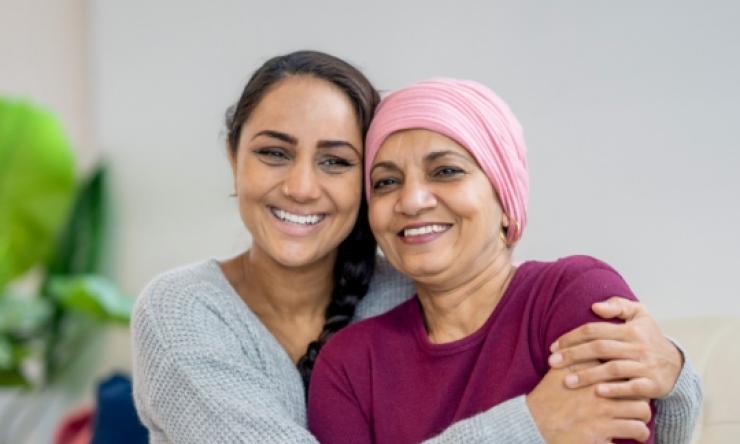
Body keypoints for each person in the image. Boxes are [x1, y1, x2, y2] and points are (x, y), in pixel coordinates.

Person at [132, 52, 701, 443]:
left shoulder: (422, 284)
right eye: (274, 152)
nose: (302, 186)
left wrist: (672, 371)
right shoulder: (183, 312)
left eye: (335, 161)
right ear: (233, 158)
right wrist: (531, 426)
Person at [307, 78, 701, 443]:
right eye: (386, 182)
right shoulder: (348, 364)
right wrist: (530, 425)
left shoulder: (576, 294)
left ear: (507, 204)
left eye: (446, 171)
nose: (410, 201)